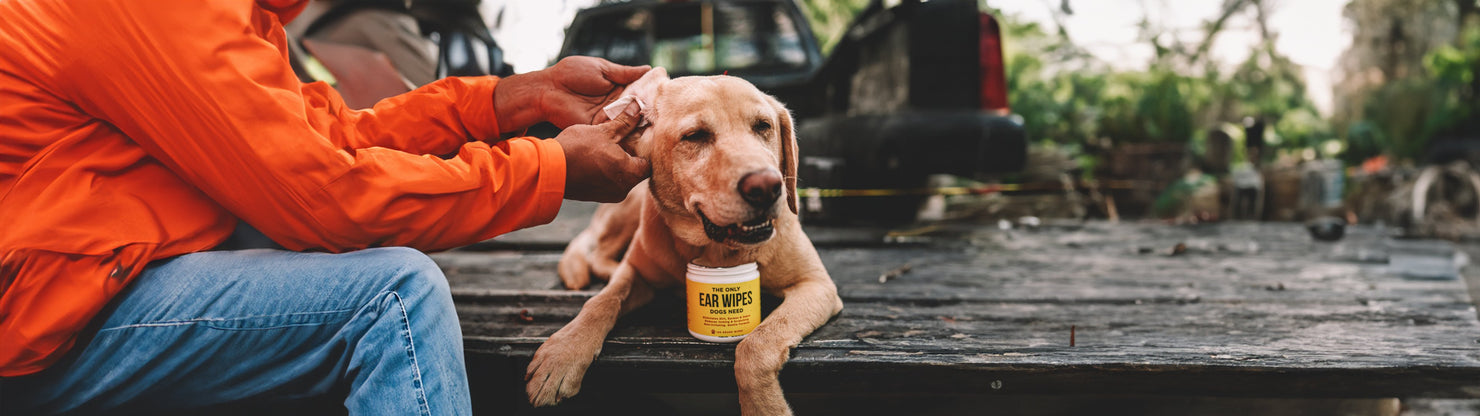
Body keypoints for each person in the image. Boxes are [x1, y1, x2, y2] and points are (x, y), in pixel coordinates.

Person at [0, 0, 651, 414]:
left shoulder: (228, 15)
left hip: (92, 286)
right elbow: (325, 196)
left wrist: (514, 99)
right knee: (394, 295)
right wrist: (553, 168)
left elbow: (326, 138)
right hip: (46, 325)